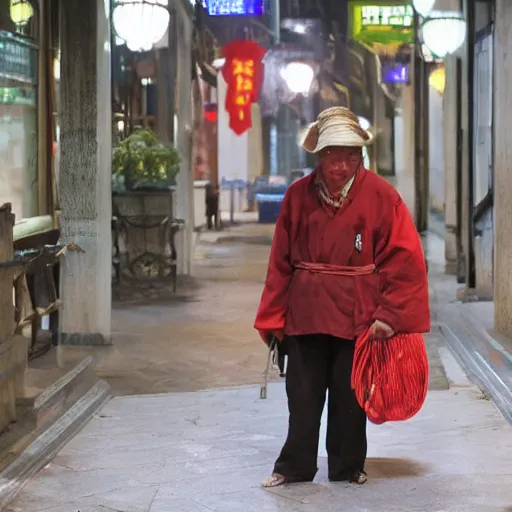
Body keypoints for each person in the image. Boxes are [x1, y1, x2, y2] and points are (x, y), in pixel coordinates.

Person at [254, 106, 430, 488]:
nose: (342, 163)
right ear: (318, 154)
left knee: (351, 398)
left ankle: (348, 466)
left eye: (352, 154)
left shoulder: (383, 197)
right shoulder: (298, 196)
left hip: (359, 315)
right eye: (334, 153)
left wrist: (390, 314)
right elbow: (279, 264)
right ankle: (294, 467)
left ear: (361, 157)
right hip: (305, 313)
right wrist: (273, 318)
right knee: (302, 398)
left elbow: (405, 260)